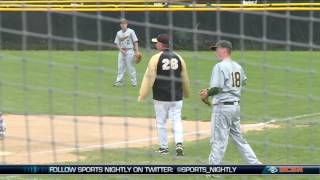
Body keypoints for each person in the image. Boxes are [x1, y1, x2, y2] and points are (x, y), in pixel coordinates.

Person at [200, 40, 262, 165]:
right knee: (239, 138)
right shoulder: (237, 66)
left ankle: (213, 170)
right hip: (235, 108)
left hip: (222, 108)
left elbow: (217, 88)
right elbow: (243, 82)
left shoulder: (219, 66)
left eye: (217, 49)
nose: (215, 52)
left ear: (224, 50)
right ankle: (255, 164)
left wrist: (207, 93)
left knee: (218, 140)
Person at [138, 34, 190, 156]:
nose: (155, 44)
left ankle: (164, 147)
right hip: (177, 97)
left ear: (161, 44)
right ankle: (179, 144)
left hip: (161, 97)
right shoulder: (179, 57)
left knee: (161, 122)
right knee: (176, 120)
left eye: (157, 43)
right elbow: (185, 78)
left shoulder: (156, 58)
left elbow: (149, 78)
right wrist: (186, 92)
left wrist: (142, 95)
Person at [113, 18, 140, 87]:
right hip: (122, 52)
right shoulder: (118, 33)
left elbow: (135, 41)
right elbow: (117, 43)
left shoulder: (131, 31)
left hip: (129, 51)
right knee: (120, 67)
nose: (123, 25)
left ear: (127, 24)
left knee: (131, 67)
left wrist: (137, 51)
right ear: (120, 25)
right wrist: (121, 50)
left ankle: (134, 83)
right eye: (122, 24)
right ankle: (119, 82)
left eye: (124, 23)